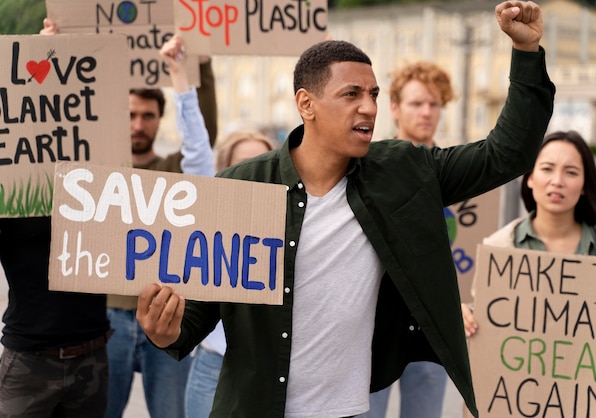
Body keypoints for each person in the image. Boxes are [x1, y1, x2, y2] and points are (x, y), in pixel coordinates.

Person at [136, 2, 554, 417]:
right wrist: (163, 330)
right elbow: (196, 316)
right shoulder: (241, 188)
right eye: (351, 94)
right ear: (307, 104)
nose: (369, 107)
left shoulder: (403, 172)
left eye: (372, 94)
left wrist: (527, 53)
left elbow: (507, 154)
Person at [104, 35, 214, 418]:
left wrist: (200, 65)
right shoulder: (101, 173)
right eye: (131, 114)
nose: (138, 124)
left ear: (158, 120)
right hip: (109, 319)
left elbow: (205, 139)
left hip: (168, 313)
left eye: (147, 116)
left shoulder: (172, 171)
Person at [461, 130, 596, 338]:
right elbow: (487, 324)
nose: (557, 181)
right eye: (547, 169)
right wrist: (467, 316)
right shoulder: (496, 248)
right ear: (530, 178)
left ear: (585, 185)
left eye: (571, 172)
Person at [361, 61, 455, 418]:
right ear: (396, 108)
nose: (427, 112)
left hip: (432, 327)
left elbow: (469, 252)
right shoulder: (368, 170)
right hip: (375, 324)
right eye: (417, 103)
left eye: (434, 104)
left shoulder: (458, 174)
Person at [184, 129, 279, 418]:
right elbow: (196, 154)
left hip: (269, 372)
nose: (254, 172)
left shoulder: (289, 229)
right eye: (244, 163)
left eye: (265, 162)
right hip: (214, 366)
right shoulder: (205, 223)